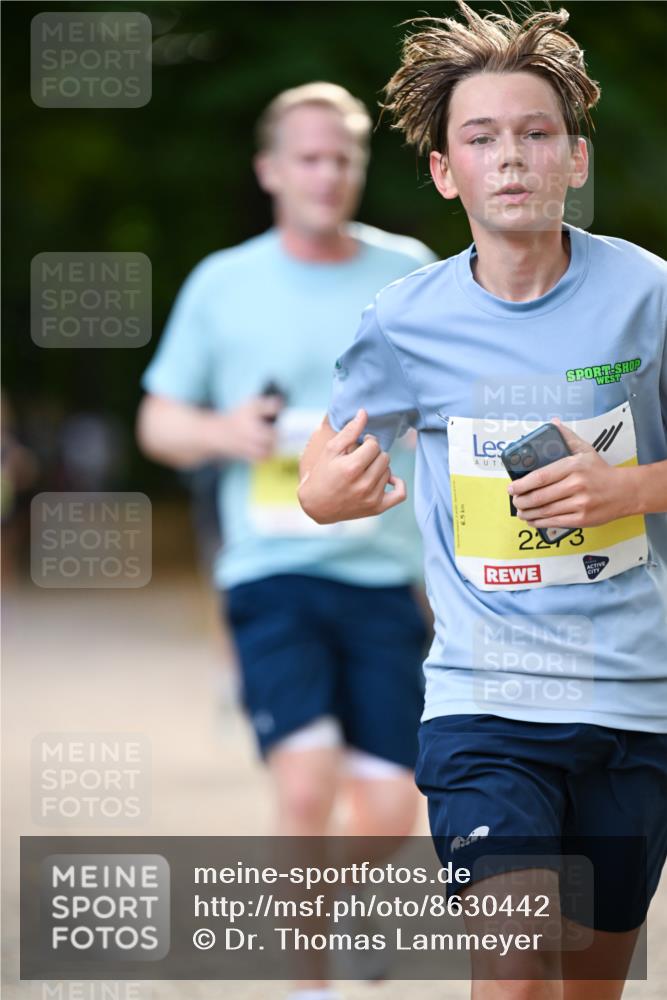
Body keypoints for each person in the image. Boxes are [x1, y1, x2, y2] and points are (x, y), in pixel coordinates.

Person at [298, 4, 667, 998]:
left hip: (634, 698)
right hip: (484, 701)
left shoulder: (647, 294)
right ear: (443, 171)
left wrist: (627, 488)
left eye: (535, 133)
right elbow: (324, 471)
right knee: (510, 970)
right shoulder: (403, 320)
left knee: (586, 984)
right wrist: (327, 495)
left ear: (574, 160)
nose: (510, 156)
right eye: (481, 137)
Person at [137, 81, 436, 1000]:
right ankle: (309, 984)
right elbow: (158, 423)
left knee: (391, 809)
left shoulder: (408, 272)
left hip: (385, 576)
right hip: (272, 571)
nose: (327, 173)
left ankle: (331, 905)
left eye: (344, 156)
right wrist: (225, 431)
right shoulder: (221, 283)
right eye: (308, 157)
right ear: (270, 170)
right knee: (305, 787)